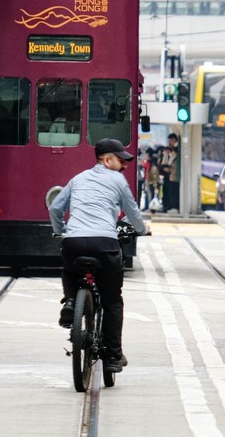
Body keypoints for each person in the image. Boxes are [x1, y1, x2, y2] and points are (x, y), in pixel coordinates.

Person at [49, 138, 148, 373]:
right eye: (120, 160)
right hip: (105, 244)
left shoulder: (78, 178)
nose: (124, 165)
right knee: (113, 300)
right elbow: (132, 212)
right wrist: (142, 230)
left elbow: (55, 208)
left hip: (74, 242)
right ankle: (113, 356)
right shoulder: (117, 180)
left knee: (69, 267)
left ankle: (71, 302)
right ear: (106, 160)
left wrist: (60, 231)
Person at [160, 133, 180, 212]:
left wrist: (169, 169)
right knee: (167, 191)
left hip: (173, 176)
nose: (169, 142)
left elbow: (174, 165)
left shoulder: (176, 151)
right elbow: (164, 163)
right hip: (168, 175)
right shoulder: (168, 152)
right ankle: (167, 206)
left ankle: (173, 207)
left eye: (171, 140)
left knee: (173, 192)